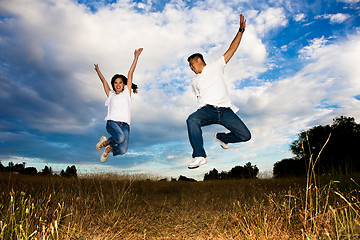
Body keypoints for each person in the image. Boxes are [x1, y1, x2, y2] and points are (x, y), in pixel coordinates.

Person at [186, 14, 251, 169]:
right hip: (207, 110)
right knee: (191, 120)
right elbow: (199, 97)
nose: (190, 67)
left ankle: (222, 137)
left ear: (199, 60)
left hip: (226, 111)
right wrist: (200, 113)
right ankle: (199, 155)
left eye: (191, 64)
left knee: (245, 135)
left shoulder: (216, 66)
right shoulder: (194, 81)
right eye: (189, 66)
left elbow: (232, 49)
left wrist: (241, 30)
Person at [94, 48, 143, 162]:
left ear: (123, 84)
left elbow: (130, 73)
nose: (118, 85)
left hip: (125, 125)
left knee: (122, 150)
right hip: (112, 123)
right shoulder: (110, 94)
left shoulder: (127, 92)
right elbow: (104, 82)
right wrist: (98, 71)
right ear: (113, 84)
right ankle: (105, 142)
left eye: (120, 82)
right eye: (115, 83)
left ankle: (108, 148)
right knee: (120, 138)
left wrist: (136, 57)